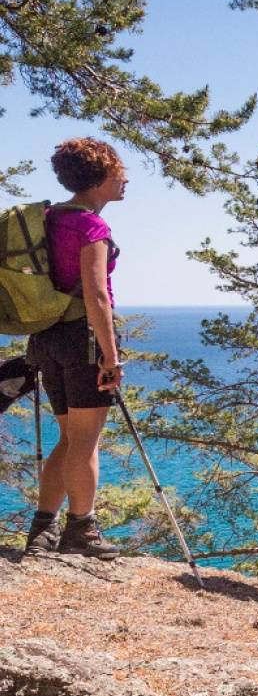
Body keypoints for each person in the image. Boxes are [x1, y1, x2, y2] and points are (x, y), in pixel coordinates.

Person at [24, 138, 128, 559]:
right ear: (100, 177)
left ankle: (42, 529)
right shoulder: (91, 227)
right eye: (119, 170)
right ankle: (81, 530)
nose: (125, 179)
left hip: (45, 337)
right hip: (81, 339)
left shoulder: (47, 219)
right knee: (86, 439)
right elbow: (97, 296)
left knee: (68, 437)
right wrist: (111, 355)